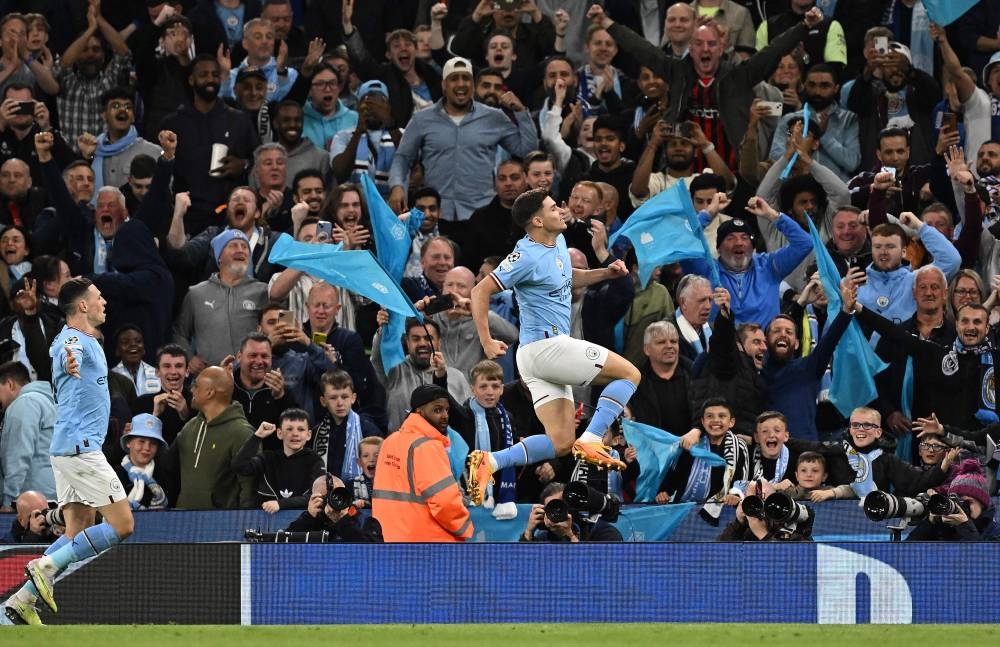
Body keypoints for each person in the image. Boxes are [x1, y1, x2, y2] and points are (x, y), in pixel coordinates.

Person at [467, 188, 642, 506]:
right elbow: (480, 290)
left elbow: (566, 277)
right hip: (546, 346)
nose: (561, 211)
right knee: (630, 374)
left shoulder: (555, 247)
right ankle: (592, 437)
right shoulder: (527, 254)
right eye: (552, 208)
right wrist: (486, 340)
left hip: (538, 356)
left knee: (561, 442)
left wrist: (604, 273)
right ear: (537, 220)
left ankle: (490, 462)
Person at [3, 278, 134, 627]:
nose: (104, 301)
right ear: (83, 307)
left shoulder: (80, 339)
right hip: (80, 450)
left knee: (77, 530)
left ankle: (18, 603)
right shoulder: (73, 340)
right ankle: (46, 566)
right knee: (123, 524)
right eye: (98, 297)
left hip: (67, 449)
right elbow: (68, 349)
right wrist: (71, 359)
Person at [372, 384, 473, 542]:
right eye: (437, 410)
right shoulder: (428, 446)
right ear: (419, 411)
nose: (445, 415)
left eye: (447, 410)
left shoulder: (389, 442)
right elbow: (445, 502)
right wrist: (465, 529)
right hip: (429, 545)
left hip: (391, 540)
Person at [162, 365, 256, 510]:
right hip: (183, 521)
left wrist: (244, 525)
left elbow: (249, 488)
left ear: (210, 393)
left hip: (221, 525)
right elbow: (166, 464)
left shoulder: (242, 432)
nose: (191, 390)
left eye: (196, 386)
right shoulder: (190, 426)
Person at [172, 229, 268, 369]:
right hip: (211, 379)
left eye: (244, 246)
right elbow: (179, 332)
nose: (240, 250)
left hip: (251, 375)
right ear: (219, 257)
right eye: (233, 245)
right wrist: (189, 357)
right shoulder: (196, 293)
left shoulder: (262, 291)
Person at [232, 407, 324, 513]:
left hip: (302, 522)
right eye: (289, 429)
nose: (295, 433)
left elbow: (316, 496)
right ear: (279, 433)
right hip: (267, 522)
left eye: (301, 429)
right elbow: (239, 466)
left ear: (309, 435)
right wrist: (257, 437)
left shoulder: (315, 460)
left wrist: (280, 504)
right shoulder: (267, 458)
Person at [0, 360, 55, 508]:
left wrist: (8, 501)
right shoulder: (46, 401)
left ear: (10, 384)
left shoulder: (24, 403)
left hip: (32, 501)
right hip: (51, 494)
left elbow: (18, 455)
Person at [309, 369, 381, 479]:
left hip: (360, 493)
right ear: (323, 401)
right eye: (333, 398)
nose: (340, 403)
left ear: (353, 398)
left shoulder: (368, 429)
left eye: (344, 397)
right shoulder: (316, 433)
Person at [284, 472, 383, 541]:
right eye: (326, 497)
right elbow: (283, 546)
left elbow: (374, 553)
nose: (334, 501)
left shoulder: (365, 522)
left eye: (339, 495)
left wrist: (342, 521)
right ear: (314, 498)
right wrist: (308, 517)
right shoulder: (309, 521)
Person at [519, 481, 623, 542]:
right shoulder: (544, 539)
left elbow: (599, 572)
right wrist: (528, 533)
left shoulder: (603, 532)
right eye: (553, 507)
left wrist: (569, 536)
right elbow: (522, 569)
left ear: (573, 506)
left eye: (561, 505)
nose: (558, 511)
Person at [114, 413, 171, 510]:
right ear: (128, 442)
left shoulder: (165, 478)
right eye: (141, 441)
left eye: (153, 443)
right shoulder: (114, 476)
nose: (147, 448)